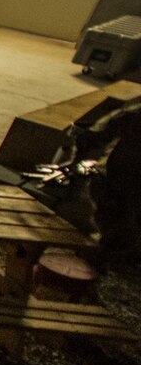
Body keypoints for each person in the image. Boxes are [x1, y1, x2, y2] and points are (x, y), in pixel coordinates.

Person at [73, 101, 141, 259]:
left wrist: (78, 156)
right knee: (118, 211)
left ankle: (116, 247)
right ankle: (120, 246)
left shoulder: (135, 116)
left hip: (123, 177)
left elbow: (99, 133)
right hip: (122, 176)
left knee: (115, 210)